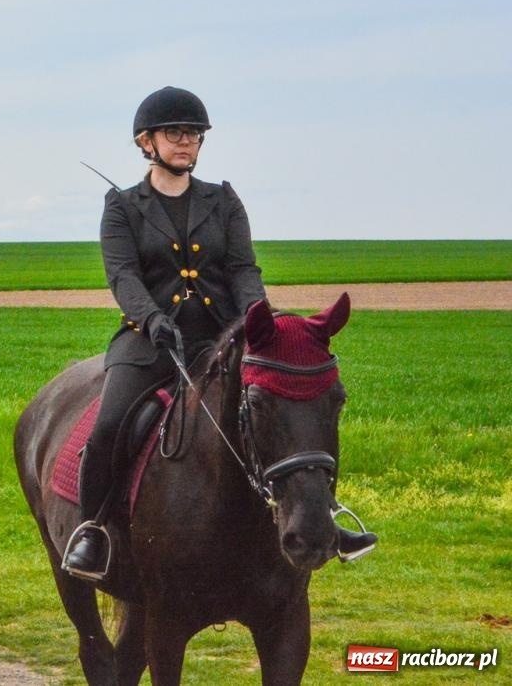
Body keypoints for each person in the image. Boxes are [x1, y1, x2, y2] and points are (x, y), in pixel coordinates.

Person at [60, 87, 377, 581]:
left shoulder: (223, 200)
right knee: (109, 426)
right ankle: (93, 531)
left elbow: (243, 267)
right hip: (149, 341)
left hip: (224, 339)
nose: (186, 141)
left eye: (195, 134)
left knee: (294, 413)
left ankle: (325, 517)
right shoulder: (122, 207)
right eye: (175, 133)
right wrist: (151, 318)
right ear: (147, 141)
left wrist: (257, 319)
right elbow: (123, 277)